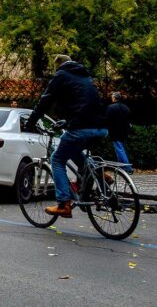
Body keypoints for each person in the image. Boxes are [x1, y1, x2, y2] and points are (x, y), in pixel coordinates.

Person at [25, 55, 109, 218]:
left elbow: (45, 100)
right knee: (73, 150)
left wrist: (31, 121)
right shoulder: (85, 75)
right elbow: (83, 104)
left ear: (58, 66)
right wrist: (66, 121)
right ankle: (99, 173)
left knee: (57, 158)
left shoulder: (61, 75)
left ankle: (64, 203)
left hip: (81, 126)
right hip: (101, 126)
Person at [106, 92, 132, 173]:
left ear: (114, 98)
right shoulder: (126, 108)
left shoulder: (111, 107)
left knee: (119, 149)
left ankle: (127, 168)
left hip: (115, 131)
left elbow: (107, 119)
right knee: (120, 149)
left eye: (112, 97)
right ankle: (121, 167)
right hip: (124, 132)